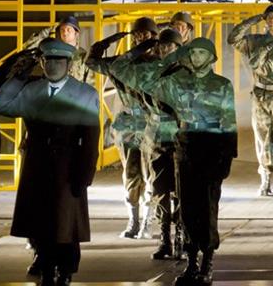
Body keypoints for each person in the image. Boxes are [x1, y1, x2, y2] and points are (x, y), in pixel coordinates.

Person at [125, 38, 237, 286]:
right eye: (193, 52)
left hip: (211, 150)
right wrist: (172, 59)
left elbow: (229, 123)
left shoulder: (221, 85)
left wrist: (227, 157)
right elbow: (148, 83)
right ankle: (191, 262)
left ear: (211, 56)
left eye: (201, 53)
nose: (196, 57)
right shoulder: (176, 82)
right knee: (187, 209)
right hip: (185, 148)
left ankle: (207, 262)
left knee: (207, 209)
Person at [0, 39, 99, 286]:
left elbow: (91, 139)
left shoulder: (85, 94)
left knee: (66, 225)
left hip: (67, 166)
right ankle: (46, 268)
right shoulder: (32, 90)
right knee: (40, 223)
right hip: (37, 164)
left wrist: (85, 174)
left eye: (58, 61)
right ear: (41, 62)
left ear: (68, 64)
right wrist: (20, 77)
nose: (52, 66)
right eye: (47, 60)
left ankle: (66, 271)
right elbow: (2, 105)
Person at [112, 28, 186, 260]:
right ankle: (165, 239)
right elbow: (117, 69)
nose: (166, 50)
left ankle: (181, 237)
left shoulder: (188, 73)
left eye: (170, 46)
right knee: (161, 189)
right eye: (162, 46)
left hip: (180, 139)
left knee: (182, 191)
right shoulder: (149, 73)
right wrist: (140, 49)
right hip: (156, 140)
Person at [84, 17, 159, 240]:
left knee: (151, 174)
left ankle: (147, 221)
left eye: (145, 34)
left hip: (151, 124)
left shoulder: (160, 64)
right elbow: (91, 61)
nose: (140, 38)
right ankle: (133, 220)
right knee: (130, 174)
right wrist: (107, 42)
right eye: (137, 34)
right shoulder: (121, 64)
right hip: (128, 126)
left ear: (153, 37)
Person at [228, 4, 273, 196]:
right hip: (261, 95)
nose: (272, 19)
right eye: (269, 16)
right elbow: (233, 39)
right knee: (262, 139)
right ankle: (265, 179)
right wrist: (252, 20)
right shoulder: (255, 41)